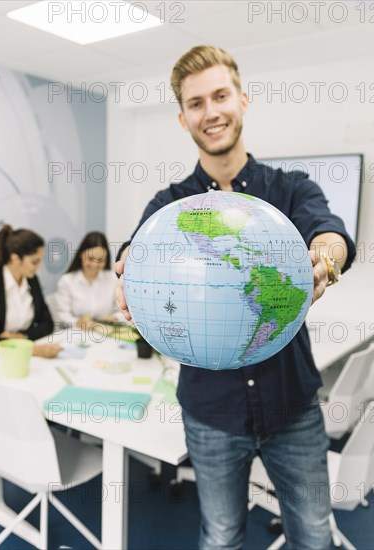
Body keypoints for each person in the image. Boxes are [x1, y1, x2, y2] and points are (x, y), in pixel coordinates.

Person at [115, 45, 357, 549]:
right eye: (196, 103)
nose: (212, 112)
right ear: (183, 119)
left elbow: (331, 233)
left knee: (314, 535)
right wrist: (126, 269)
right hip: (212, 415)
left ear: (243, 99)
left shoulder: (289, 190)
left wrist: (326, 259)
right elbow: (135, 248)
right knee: (221, 536)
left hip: (293, 407)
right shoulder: (170, 205)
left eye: (220, 95)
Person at [0, 224, 61, 358]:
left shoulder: (32, 280)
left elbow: (47, 324)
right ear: (15, 259)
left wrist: (22, 337)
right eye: (34, 262)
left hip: (19, 355)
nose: (39, 267)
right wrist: (33, 349)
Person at [53, 231, 120, 330]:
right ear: (81, 255)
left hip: (106, 331)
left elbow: (121, 308)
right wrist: (77, 322)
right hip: (77, 333)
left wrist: (114, 317)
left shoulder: (112, 278)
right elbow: (62, 315)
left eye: (100, 260)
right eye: (90, 259)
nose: (95, 265)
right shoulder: (67, 281)